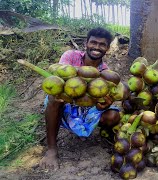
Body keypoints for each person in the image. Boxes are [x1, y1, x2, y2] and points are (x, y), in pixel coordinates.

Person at [39, 27, 120, 170]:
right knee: (53, 98)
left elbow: (97, 101)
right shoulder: (70, 57)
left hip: (86, 107)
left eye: (102, 44)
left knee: (113, 115)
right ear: (86, 44)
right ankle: (51, 149)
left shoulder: (105, 72)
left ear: (107, 48)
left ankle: (99, 134)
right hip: (66, 104)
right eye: (93, 42)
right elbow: (58, 81)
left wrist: (104, 105)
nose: (97, 47)